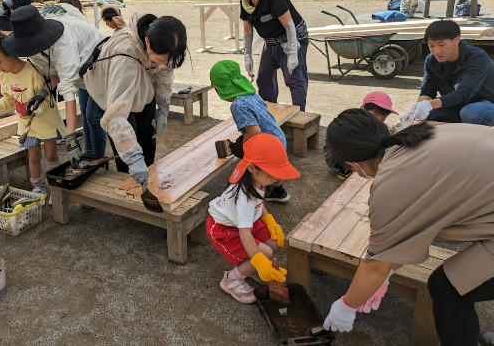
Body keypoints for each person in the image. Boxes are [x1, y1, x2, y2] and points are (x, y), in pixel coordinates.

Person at [322, 109, 494, 345]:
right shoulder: (418, 133)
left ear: (353, 164)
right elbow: (410, 230)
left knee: (449, 289)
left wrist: (346, 305)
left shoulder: (391, 184)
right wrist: (388, 272)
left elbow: (376, 266)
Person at [83, 13, 187, 213]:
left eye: (169, 59)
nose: (165, 63)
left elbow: (164, 75)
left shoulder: (164, 44)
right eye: (162, 58)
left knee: (147, 141)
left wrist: (163, 109)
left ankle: (148, 187)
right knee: (128, 156)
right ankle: (130, 196)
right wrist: (132, 156)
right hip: (113, 96)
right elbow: (116, 115)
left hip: (142, 89)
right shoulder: (126, 54)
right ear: (147, 42)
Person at [2, 5, 108, 163]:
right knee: (89, 116)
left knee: (100, 118)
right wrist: (42, 93)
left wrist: (70, 136)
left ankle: (111, 163)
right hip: (82, 74)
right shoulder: (34, 45)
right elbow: (54, 72)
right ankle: (94, 158)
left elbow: (68, 89)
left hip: (103, 71)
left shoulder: (64, 43)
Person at [207, 133, 298, 304]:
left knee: (274, 242)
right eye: (271, 174)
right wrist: (259, 260)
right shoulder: (244, 196)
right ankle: (231, 280)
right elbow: (244, 233)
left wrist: (269, 220)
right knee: (266, 253)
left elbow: (259, 201)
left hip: (245, 222)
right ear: (251, 168)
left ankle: (250, 268)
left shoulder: (253, 175)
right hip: (225, 229)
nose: (276, 179)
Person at [0, 31, 65, 194]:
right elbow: (9, 99)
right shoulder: (5, 77)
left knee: (51, 155)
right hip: (27, 124)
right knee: (33, 157)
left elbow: (46, 97)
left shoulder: (33, 70)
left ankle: (58, 187)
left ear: (10, 53)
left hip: (46, 120)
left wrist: (39, 108)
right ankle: (38, 188)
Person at [232, 0, 309, 111]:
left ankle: (300, 117)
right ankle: (269, 112)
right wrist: (247, 55)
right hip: (270, 41)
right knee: (263, 78)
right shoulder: (245, 3)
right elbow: (248, 31)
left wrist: (293, 53)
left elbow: (289, 26)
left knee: (294, 78)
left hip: (292, 38)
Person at [210, 60, 290, 202]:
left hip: (267, 147)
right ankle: (278, 191)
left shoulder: (238, 105)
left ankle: (252, 196)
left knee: (253, 171)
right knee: (275, 166)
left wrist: (243, 147)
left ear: (217, 89)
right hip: (278, 139)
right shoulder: (252, 95)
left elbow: (255, 132)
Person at [400, 20, 494, 126]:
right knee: (424, 117)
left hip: (485, 105)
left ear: (456, 40)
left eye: (441, 45)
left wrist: (430, 104)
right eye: (431, 46)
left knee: (471, 113)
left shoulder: (477, 58)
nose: (437, 51)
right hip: (454, 105)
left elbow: (465, 93)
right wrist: (417, 109)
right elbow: (427, 92)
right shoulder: (431, 61)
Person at [323, 91, 397, 180]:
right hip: (334, 156)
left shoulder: (371, 124)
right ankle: (344, 169)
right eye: (373, 116)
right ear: (365, 109)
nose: (376, 121)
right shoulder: (353, 125)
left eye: (382, 120)